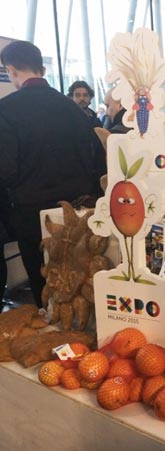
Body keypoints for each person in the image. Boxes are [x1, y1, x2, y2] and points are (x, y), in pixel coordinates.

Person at [0, 40, 104, 308]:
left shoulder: (7, 109)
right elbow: (91, 159)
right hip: (75, 211)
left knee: (43, 282)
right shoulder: (73, 108)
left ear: (10, 70)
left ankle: (51, 335)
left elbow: (6, 170)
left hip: (30, 212)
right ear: (42, 69)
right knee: (78, 281)